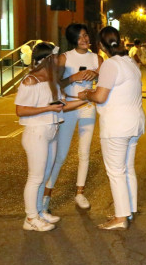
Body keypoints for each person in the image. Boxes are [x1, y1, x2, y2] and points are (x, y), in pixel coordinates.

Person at [78, 26, 145, 230]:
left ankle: (120, 217)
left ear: (100, 45)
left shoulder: (110, 64)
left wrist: (85, 95)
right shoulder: (129, 62)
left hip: (117, 125)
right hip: (135, 122)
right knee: (127, 169)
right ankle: (128, 209)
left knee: (116, 172)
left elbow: (99, 96)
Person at [15, 42, 86, 231]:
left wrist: (85, 98)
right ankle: (30, 218)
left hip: (51, 130)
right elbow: (20, 110)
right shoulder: (30, 80)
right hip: (36, 132)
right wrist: (47, 108)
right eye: (55, 57)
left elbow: (62, 106)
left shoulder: (52, 80)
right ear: (46, 59)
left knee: (44, 175)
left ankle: (39, 211)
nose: (59, 60)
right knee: (35, 177)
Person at [43, 23, 103, 213]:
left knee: (84, 152)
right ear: (72, 40)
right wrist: (74, 77)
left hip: (87, 106)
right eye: (80, 37)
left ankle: (79, 192)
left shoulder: (97, 58)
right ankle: (47, 194)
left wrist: (97, 74)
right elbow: (56, 82)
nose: (84, 39)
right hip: (68, 107)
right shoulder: (65, 57)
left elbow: (106, 83)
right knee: (60, 153)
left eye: (86, 35)